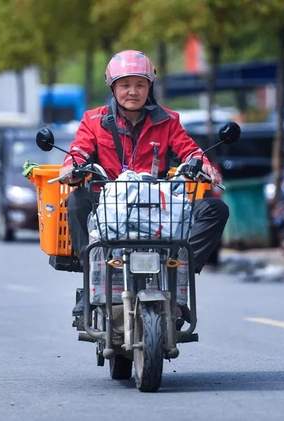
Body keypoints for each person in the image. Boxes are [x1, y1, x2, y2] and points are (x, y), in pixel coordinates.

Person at [61, 50, 229, 318]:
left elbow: (189, 150)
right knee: (76, 201)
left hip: (156, 205)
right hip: (109, 206)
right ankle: (91, 283)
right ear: (112, 87)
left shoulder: (168, 120)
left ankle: (179, 273)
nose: (132, 91)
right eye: (125, 85)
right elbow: (79, 150)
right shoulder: (93, 120)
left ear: (150, 86)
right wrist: (73, 167)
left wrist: (204, 164)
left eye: (140, 84)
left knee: (215, 209)